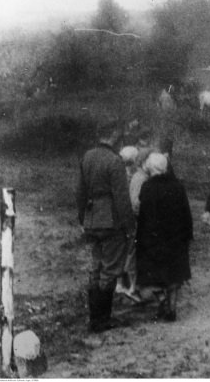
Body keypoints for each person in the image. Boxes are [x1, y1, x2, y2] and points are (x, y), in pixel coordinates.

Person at [76, 120, 136, 333]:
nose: (120, 141)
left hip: (92, 219)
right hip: (110, 221)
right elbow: (121, 198)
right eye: (118, 137)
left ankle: (95, 318)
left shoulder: (87, 157)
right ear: (111, 137)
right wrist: (129, 226)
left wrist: (83, 217)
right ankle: (102, 320)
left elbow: (80, 192)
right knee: (109, 270)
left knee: (96, 267)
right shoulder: (114, 161)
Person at [136, 152, 193, 322]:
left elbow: (144, 216)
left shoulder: (147, 187)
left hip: (154, 239)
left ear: (151, 168)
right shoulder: (178, 186)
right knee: (174, 275)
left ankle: (162, 302)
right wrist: (187, 235)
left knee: (153, 274)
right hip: (176, 238)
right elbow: (186, 213)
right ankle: (172, 308)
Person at [115, 145, 141, 301]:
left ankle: (120, 283)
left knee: (121, 249)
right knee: (131, 250)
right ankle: (131, 286)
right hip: (129, 216)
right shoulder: (132, 175)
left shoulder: (119, 173)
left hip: (119, 216)